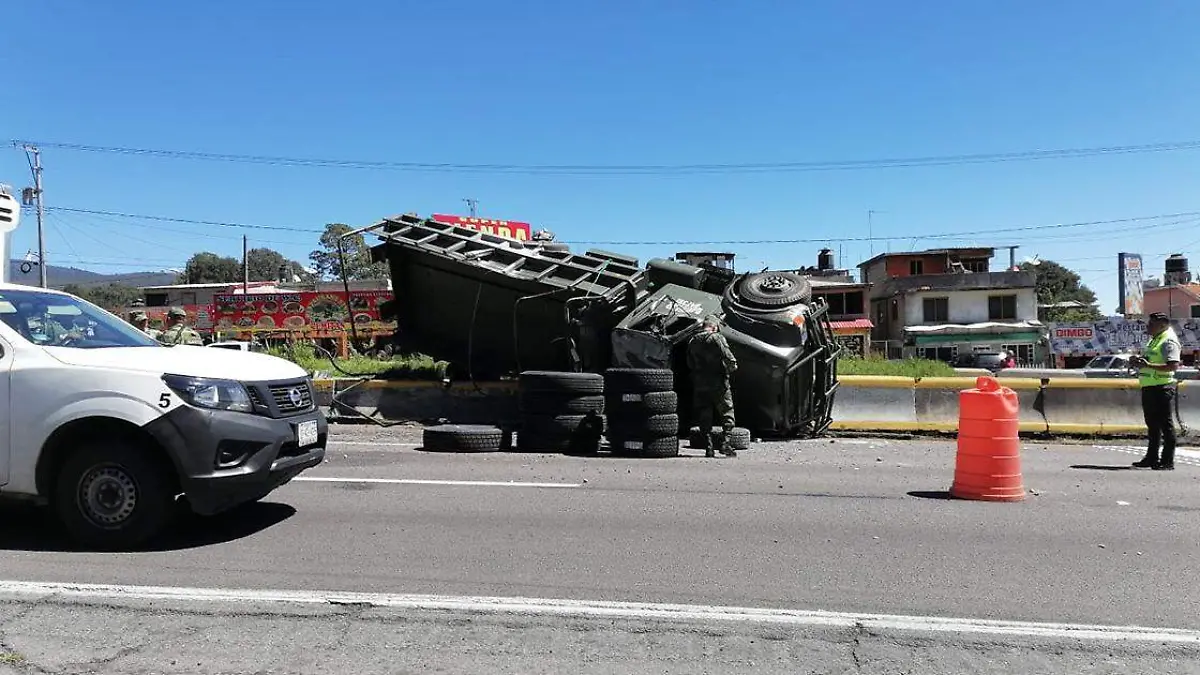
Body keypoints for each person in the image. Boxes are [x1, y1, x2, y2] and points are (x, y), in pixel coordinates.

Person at [1130, 312, 1182, 470]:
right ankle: (1151, 458)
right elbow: (1151, 360)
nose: (1148, 326)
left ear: (1162, 325)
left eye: (1151, 324)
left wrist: (1147, 365)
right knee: (1152, 425)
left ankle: (1167, 461)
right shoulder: (1155, 339)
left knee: (1166, 425)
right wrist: (1138, 361)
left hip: (1162, 387)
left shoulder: (1168, 340)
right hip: (1150, 386)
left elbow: (1173, 365)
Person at [686, 314, 739, 457]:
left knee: (704, 415)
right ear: (714, 327)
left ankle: (708, 447)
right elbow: (730, 358)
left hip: (701, 384)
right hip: (719, 383)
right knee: (727, 412)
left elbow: (690, 363)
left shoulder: (692, 341)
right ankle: (725, 444)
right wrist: (730, 369)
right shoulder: (717, 337)